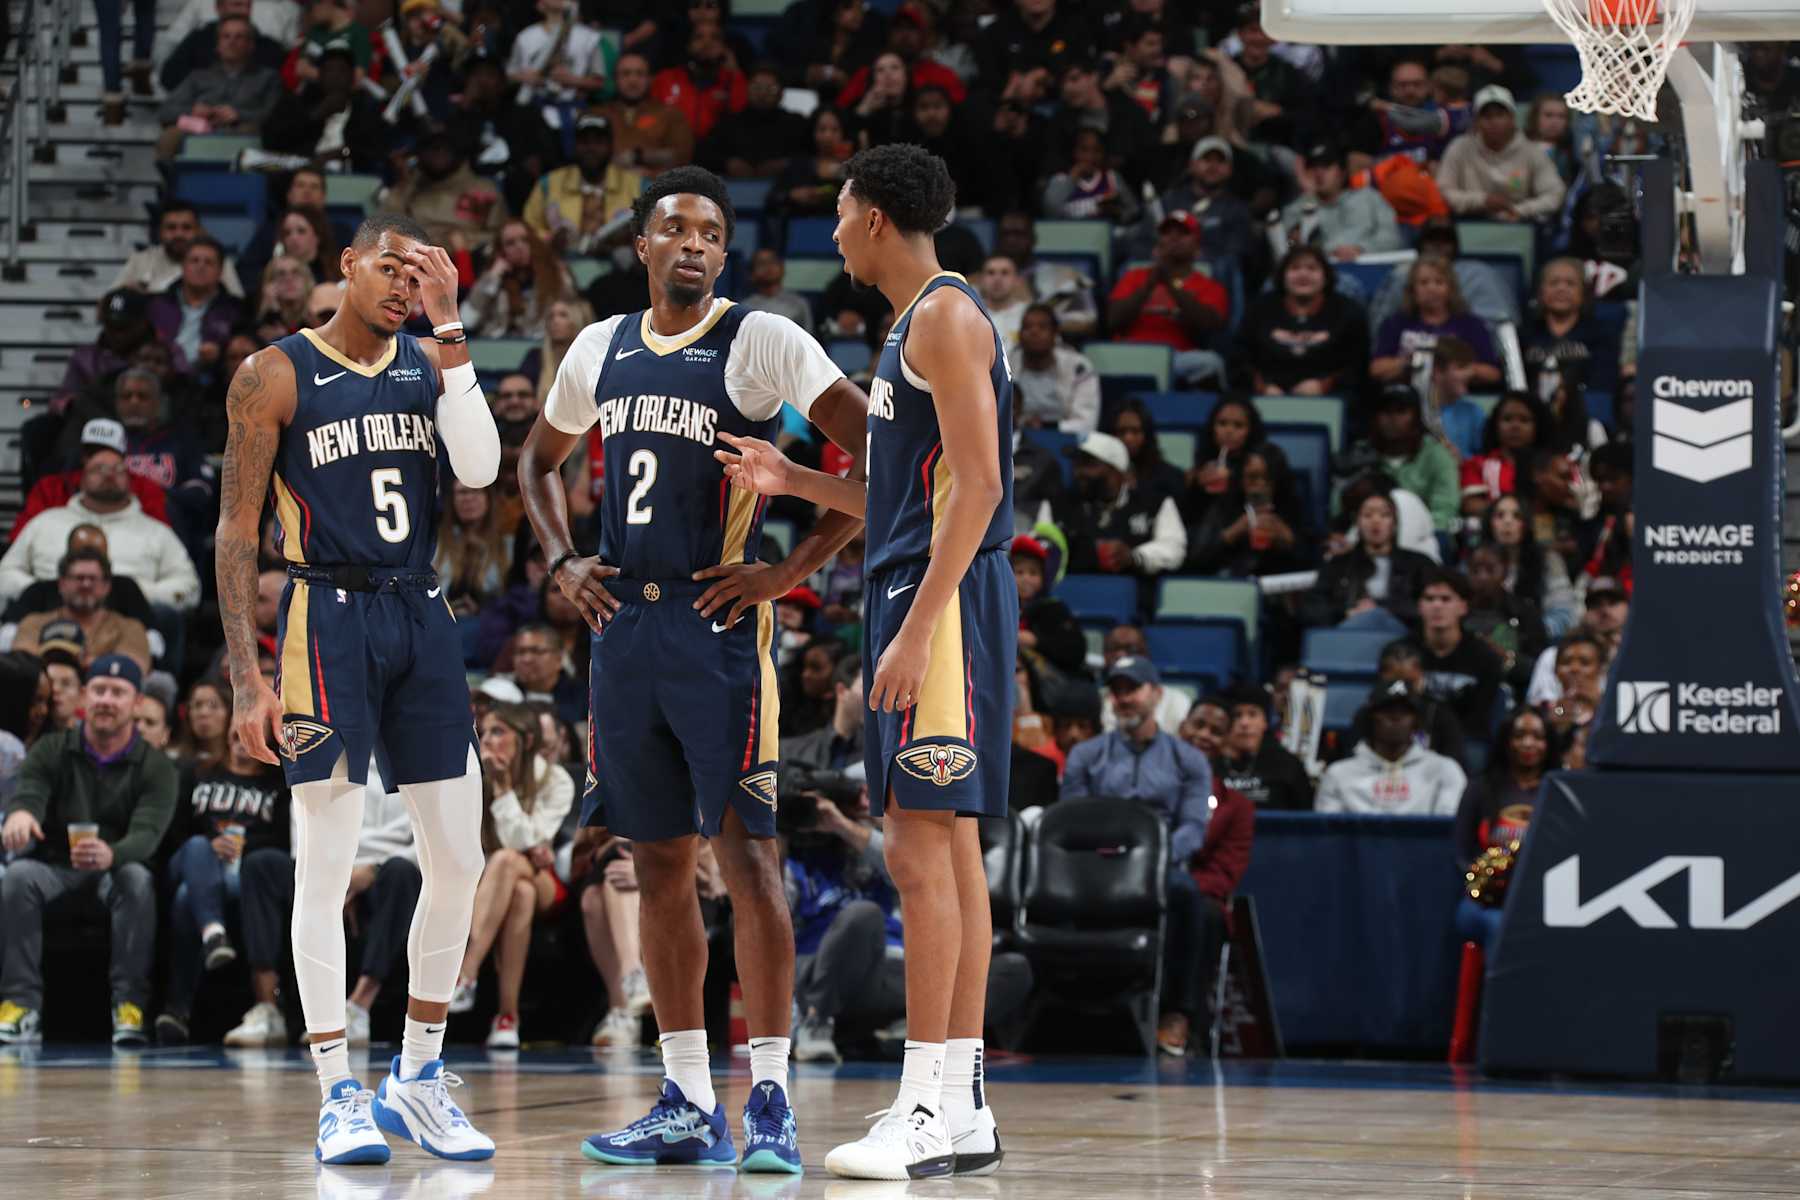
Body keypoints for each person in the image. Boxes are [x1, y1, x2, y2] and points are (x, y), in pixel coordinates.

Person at [517, 165, 872, 1174]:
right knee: (660, 865)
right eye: (674, 227)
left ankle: (768, 1097)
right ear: (640, 243)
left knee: (750, 860)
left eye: (711, 232)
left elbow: (876, 462)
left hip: (720, 632)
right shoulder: (598, 347)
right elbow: (536, 463)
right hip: (625, 631)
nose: (694, 245)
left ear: (723, 251)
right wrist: (562, 557)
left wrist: (788, 571)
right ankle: (683, 1097)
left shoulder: (760, 340)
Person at [708, 144, 1014, 1179]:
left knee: (920, 854)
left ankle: (921, 1107)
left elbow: (976, 489)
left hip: (940, 596)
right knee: (952, 854)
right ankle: (962, 1100)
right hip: (924, 584)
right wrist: (793, 476)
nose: (832, 230)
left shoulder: (943, 315)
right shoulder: (914, 324)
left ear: (876, 217)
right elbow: (903, 491)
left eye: (841, 211)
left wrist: (923, 625)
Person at [214, 213, 501, 1164]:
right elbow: (234, 530)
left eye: (420, 277)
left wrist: (453, 334)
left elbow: (480, 470)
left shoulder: (430, 362)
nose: (403, 288)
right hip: (323, 617)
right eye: (390, 267)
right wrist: (246, 676)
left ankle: (417, 1077)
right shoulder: (273, 372)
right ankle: (337, 1088)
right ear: (347, 265)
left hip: (421, 614)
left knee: (460, 857)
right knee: (325, 862)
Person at [0, 656, 177, 1046]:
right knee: (17, 877)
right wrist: (21, 815)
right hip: (59, 870)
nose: (106, 700)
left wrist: (112, 854)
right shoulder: (52, 749)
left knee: (137, 878)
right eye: (99, 690)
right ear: (84, 696)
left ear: (136, 703)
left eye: (118, 692)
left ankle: (129, 1006)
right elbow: (31, 792)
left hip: (116, 870)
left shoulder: (157, 767)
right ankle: (21, 1005)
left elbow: (148, 834)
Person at [1061, 655, 1215, 1059]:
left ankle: (1177, 1013)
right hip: (1096, 866)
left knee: (1187, 895)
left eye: (1133, 689)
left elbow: (1193, 828)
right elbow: (1073, 822)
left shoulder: (1189, 760)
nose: (1124, 698)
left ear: (1157, 694)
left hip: (1159, 869)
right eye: (1117, 690)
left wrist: (1154, 860)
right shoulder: (1086, 755)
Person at [447, 703, 574, 1048]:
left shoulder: (554, 778)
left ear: (526, 739)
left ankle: (465, 972)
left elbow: (525, 842)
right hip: (491, 880)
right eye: (484, 732)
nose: (487, 740)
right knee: (520, 893)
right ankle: (507, 1017)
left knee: (508, 861)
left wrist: (502, 790)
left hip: (544, 878)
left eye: (498, 732)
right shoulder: (471, 777)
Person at [154, 726, 290, 1044]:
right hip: (190, 861)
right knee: (199, 848)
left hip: (242, 874)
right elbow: (175, 830)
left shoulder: (276, 785)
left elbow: (283, 842)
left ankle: (178, 1009)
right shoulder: (198, 773)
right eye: (236, 736)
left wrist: (247, 847)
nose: (243, 743)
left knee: (188, 900)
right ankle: (214, 932)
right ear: (226, 738)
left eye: (253, 737)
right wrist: (211, 845)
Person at [0, 420, 203, 614]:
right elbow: (5, 574)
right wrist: (46, 593)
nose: (108, 474)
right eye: (97, 467)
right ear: (82, 475)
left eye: (117, 469)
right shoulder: (43, 522)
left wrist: (136, 595)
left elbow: (189, 587)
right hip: (47, 621)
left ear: (129, 476)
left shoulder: (157, 531)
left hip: (132, 628)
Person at [1453, 706, 1551, 949]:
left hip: (1543, 898)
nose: (1528, 743)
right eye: (1519, 736)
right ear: (1506, 741)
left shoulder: (1558, 790)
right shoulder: (1480, 789)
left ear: (1549, 744)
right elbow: (1460, 853)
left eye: (1538, 737)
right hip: (1485, 902)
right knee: (1501, 927)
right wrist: (1487, 884)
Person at [1107, 211, 1229, 386]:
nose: (1174, 238)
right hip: (1130, 354)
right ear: (1158, 243)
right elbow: (1113, 320)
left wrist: (1171, 284)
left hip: (1178, 359)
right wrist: (1149, 285)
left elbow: (1210, 324)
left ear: (1197, 248)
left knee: (1211, 363)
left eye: (1183, 233)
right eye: (1167, 233)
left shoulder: (1210, 286)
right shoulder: (1134, 277)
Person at [1315, 679, 1466, 814]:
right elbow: (1329, 839)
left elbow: (1448, 835)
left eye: (1405, 711)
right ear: (1370, 719)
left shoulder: (1444, 770)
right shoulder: (1339, 774)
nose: (1396, 718)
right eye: (1387, 711)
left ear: (1417, 722)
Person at [1236, 245, 1369, 397]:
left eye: (1312, 269)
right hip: (1265, 396)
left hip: (1332, 399)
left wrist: (1325, 385)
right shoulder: (1259, 310)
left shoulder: (1348, 312)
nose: (1303, 274)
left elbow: (1358, 365)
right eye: (1294, 268)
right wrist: (1262, 387)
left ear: (1325, 277)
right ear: (1282, 276)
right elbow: (1239, 360)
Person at [1051, 432, 1186, 577]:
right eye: (1077, 464)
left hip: (1135, 593)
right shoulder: (1060, 502)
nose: (1079, 472)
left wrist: (1134, 557)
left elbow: (1174, 549)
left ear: (1116, 470)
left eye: (1089, 464)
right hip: (1072, 591)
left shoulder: (1155, 503)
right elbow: (1041, 547)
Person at [1299, 491, 1435, 631]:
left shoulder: (1419, 563)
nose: (1375, 521)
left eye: (1384, 515)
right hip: (1349, 634)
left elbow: (1432, 606)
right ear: (1358, 523)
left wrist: (1380, 610)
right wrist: (1346, 613)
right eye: (1367, 515)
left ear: (1394, 523)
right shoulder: (1338, 565)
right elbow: (1311, 610)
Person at [154, 15, 283, 160]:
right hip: (199, 128)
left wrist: (239, 115)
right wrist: (193, 111)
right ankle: (176, 181)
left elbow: (275, 117)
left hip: (242, 130)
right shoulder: (198, 76)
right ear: (218, 45)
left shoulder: (268, 77)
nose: (231, 42)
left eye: (239, 37)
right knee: (170, 136)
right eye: (226, 37)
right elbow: (165, 111)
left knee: (249, 132)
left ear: (251, 45)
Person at [1436, 85, 1566, 223]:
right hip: (1468, 222)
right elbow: (1444, 190)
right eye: (1487, 116)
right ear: (1476, 121)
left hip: (1519, 225)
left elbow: (1555, 194)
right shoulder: (1459, 147)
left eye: (1500, 115)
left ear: (1512, 118)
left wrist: (1519, 210)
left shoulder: (1531, 151)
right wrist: (1482, 201)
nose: (1494, 122)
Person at [12, 549, 153, 674]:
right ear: (62, 584)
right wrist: (94, 662)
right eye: (79, 578)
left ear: (107, 586)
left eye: (93, 579)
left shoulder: (130, 627)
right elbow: (22, 666)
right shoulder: (34, 623)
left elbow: (133, 669)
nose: (86, 585)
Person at [522, 117, 645, 260]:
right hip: (562, 264)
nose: (591, 149)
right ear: (574, 146)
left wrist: (630, 240)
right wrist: (550, 239)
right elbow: (528, 228)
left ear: (611, 147)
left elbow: (654, 231)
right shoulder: (548, 184)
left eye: (598, 142)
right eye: (584, 142)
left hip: (619, 267)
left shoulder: (637, 185)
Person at [1370, 256, 1502, 387]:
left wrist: (1459, 366)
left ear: (1450, 289)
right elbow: (1375, 369)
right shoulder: (1395, 323)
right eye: (1424, 282)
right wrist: (1410, 362)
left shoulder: (1471, 325)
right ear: (1412, 290)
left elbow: (1493, 374)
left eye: (1439, 282)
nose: (1431, 289)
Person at [1349, 384, 1462, 532]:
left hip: (1423, 538)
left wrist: (1405, 538)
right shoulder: (1359, 453)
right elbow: (1339, 509)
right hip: (1366, 537)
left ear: (1416, 418)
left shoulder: (1437, 455)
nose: (1393, 418)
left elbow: (1444, 512)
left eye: (1401, 411)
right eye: (1386, 411)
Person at [1338, 639, 1468, 768]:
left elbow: (1453, 763)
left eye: (1409, 682)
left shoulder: (1438, 713)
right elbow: (1352, 761)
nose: (1402, 689)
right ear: (1382, 677)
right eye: (1395, 682)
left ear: (1421, 676)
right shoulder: (1367, 714)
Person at [382, 125, 509, 256]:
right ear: (419, 154)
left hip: (471, 259)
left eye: (444, 147)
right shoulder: (406, 189)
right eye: (431, 148)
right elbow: (385, 234)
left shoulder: (483, 189)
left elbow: (502, 236)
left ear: (456, 150)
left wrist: (464, 242)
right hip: (417, 260)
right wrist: (404, 182)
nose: (438, 153)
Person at [1415, 569, 1506, 745]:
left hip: (1467, 741)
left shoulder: (1485, 659)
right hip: (1413, 741)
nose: (1437, 605)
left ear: (1463, 606)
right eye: (1429, 598)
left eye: (1445, 599)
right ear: (1420, 606)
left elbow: (1480, 718)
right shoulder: (1402, 653)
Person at [1273, 143, 1404, 261]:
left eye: (1326, 166)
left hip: (1368, 266)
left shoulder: (1369, 197)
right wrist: (1309, 197)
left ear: (1342, 172)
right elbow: (1284, 247)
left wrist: (1362, 249)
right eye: (1312, 167)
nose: (1318, 173)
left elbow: (1392, 238)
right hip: (1320, 272)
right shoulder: (1298, 207)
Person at [147, 239, 247, 380]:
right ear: (183, 266)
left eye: (208, 262)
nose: (201, 267)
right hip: (161, 377)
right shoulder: (157, 304)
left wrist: (220, 353)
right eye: (194, 261)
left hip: (212, 381)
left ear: (220, 271)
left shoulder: (235, 309)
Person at [110, 203, 248, 299]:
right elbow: (106, 307)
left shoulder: (216, 261)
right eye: (171, 228)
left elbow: (236, 306)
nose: (178, 234)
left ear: (199, 231)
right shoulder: (140, 260)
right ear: (160, 232)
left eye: (186, 228)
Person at [595, 50, 697, 175]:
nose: (633, 80)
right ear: (615, 79)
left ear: (650, 79)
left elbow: (682, 155)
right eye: (625, 74)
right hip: (608, 188)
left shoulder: (670, 114)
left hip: (654, 187)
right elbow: (586, 154)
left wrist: (638, 156)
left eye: (640, 74)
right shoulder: (598, 114)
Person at [1006, 304, 1099, 436]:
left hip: (1065, 439)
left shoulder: (1079, 367)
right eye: (1027, 327)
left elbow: (1086, 423)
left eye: (1042, 327)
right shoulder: (1006, 364)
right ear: (1020, 334)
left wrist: (1046, 427)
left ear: (1055, 334)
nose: (1034, 332)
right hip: (1015, 439)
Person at [1216, 684, 1312, 809]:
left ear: (1265, 722)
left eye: (1252, 714)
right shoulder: (1210, 764)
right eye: (1237, 715)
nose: (1245, 723)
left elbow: (1304, 818)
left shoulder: (1287, 765)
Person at [741, 249, 814, 331]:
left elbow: (809, 337)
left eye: (772, 261)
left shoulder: (799, 304)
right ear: (752, 274)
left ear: (782, 268)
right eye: (762, 263)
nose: (768, 267)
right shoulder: (745, 307)